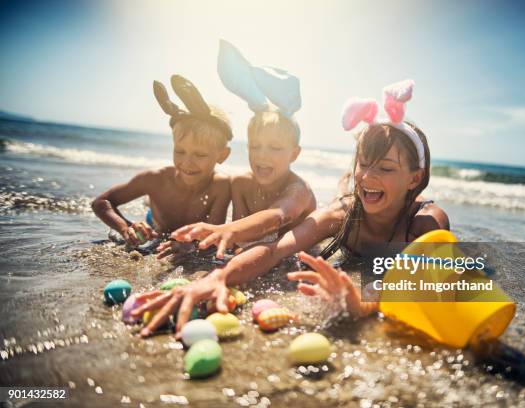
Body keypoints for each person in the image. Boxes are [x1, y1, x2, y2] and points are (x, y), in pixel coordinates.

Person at [132, 79, 450, 338]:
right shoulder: (341, 213)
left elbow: (424, 288)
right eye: (363, 163)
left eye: (386, 168)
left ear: (415, 178)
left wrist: (367, 304)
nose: (367, 176)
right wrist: (220, 277)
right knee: (347, 192)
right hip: (348, 213)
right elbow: (274, 250)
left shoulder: (426, 223)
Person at [170, 41, 316, 259]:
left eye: (275, 148)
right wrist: (193, 243)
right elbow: (239, 241)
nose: (262, 155)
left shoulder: (298, 190)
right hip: (259, 256)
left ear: (294, 154)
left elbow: (277, 215)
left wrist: (227, 230)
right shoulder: (241, 184)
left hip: (297, 260)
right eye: (255, 146)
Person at [91, 75, 232, 255]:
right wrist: (126, 228)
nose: (187, 162)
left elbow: (212, 236)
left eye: (200, 154)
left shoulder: (220, 186)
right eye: (180, 152)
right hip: (157, 223)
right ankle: (149, 204)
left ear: (222, 155)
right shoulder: (155, 179)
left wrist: (190, 246)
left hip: (181, 229)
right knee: (151, 221)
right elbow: (101, 202)